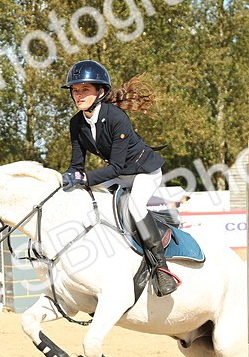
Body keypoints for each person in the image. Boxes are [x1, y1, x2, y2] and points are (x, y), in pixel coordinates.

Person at [60, 60, 179, 296]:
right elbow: (76, 165)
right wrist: (67, 179)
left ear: (100, 92)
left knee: (135, 206)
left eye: (85, 89)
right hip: (120, 175)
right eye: (75, 90)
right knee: (88, 201)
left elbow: (114, 167)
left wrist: (83, 178)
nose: (78, 95)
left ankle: (161, 268)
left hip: (144, 172)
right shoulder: (76, 123)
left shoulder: (116, 117)